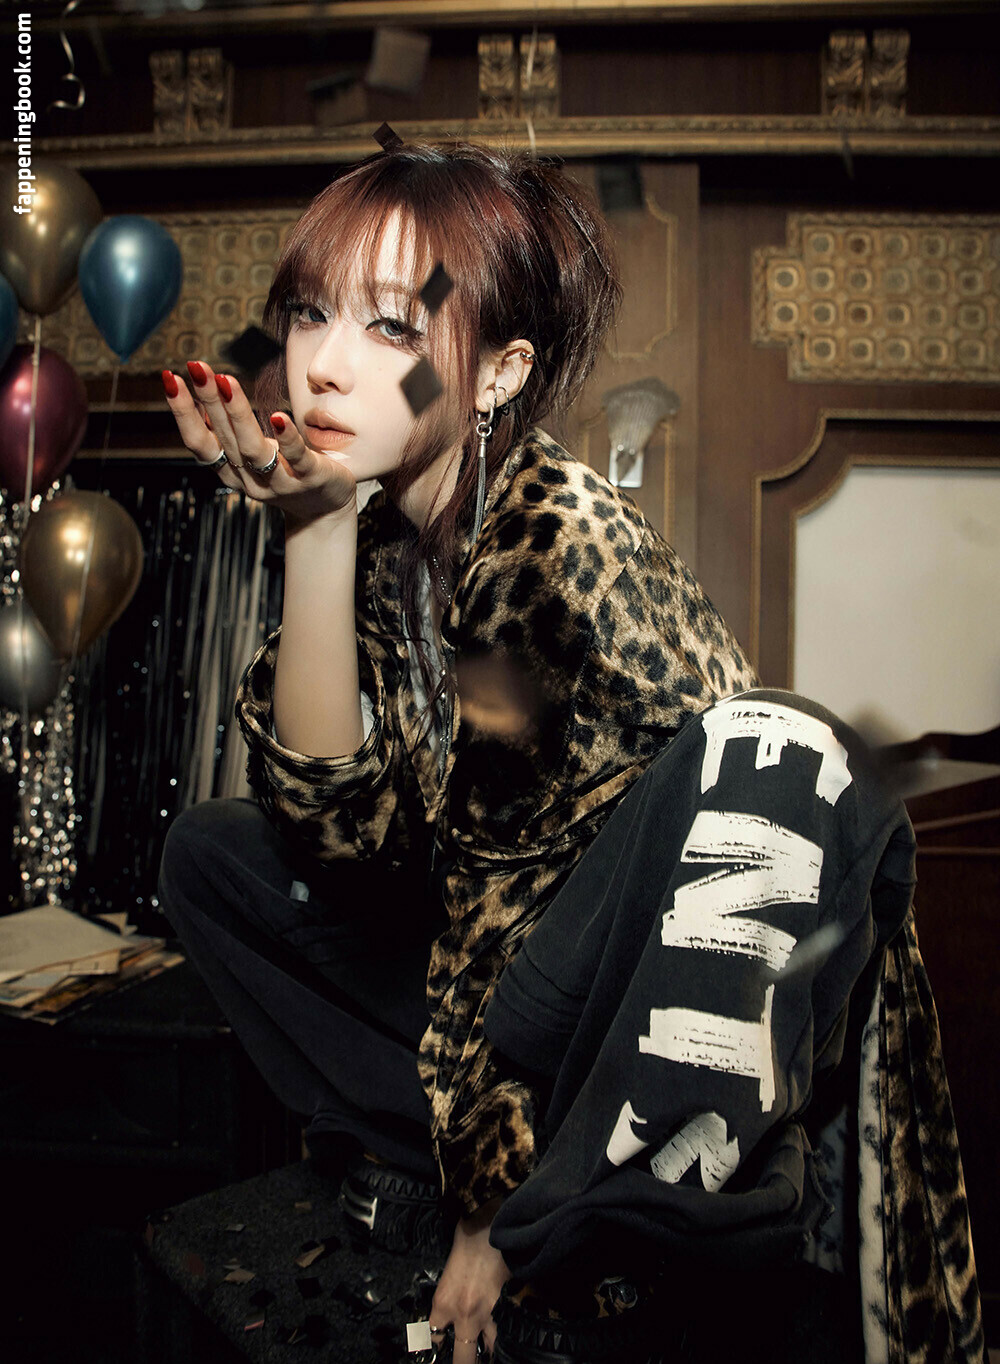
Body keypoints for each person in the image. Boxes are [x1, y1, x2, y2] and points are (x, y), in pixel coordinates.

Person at [158, 141, 982, 1364]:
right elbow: (342, 839)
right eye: (310, 313)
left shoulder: (553, 542)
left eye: (392, 327)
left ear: (498, 373)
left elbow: (505, 914)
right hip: (516, 992)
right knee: (214, 853)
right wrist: (316, 537)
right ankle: (430, 1161)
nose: (323, 362)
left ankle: (584, 1213)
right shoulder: (390, 548)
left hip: (660, 1007)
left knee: (777, 741)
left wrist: (489, 1221)